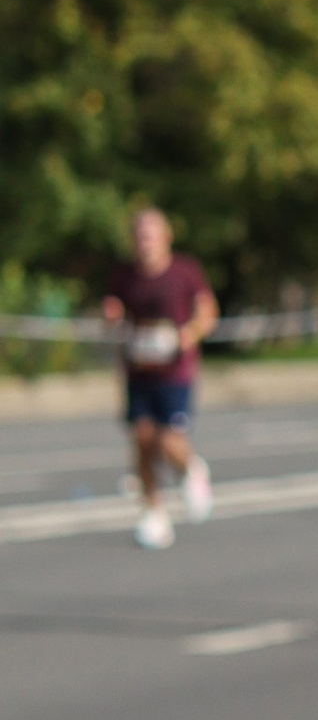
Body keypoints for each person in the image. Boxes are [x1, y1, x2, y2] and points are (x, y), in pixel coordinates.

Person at [100, 204, 217, 549]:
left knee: (168, 440)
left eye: (150, 234)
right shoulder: (124, 275)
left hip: (175, 371)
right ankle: (154, 513)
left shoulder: (184, 271)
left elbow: (207, 311)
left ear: (165, 236)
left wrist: (190, 333)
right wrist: (111, 315)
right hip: (138, 370)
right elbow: (113, 310)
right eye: (139, 235)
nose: (144, 241)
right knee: (141, 439)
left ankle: (192, 469)